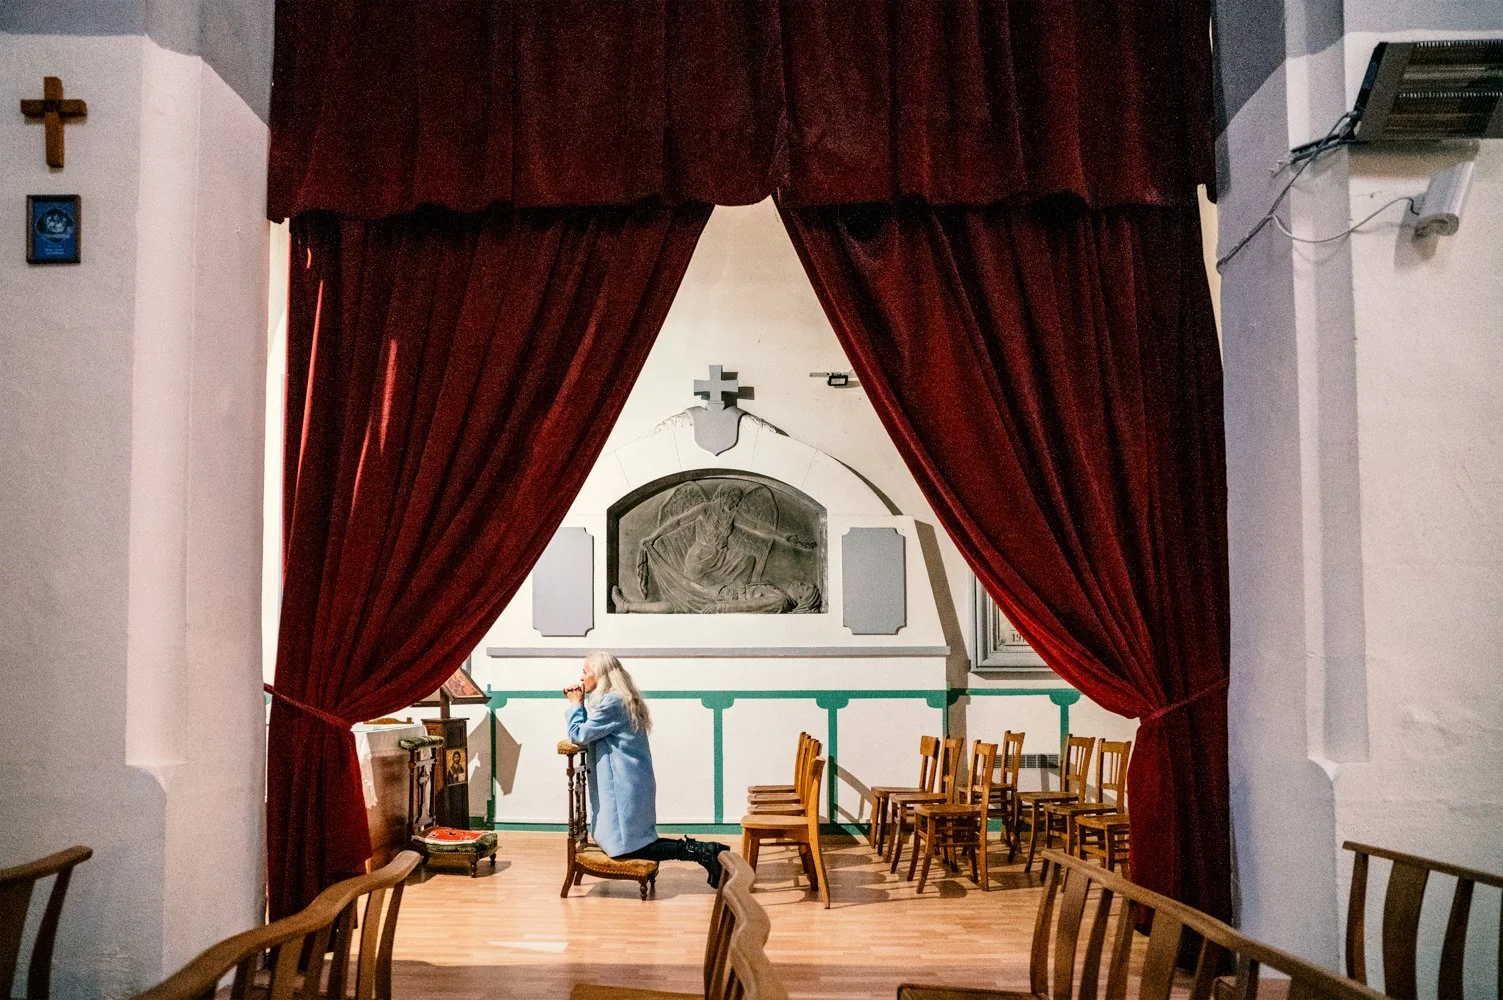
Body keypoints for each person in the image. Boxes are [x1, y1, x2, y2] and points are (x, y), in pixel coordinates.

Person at [564, 651, 728, 886]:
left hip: (622, 786)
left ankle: (701, 851)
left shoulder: (612, 702)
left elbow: (579, 734)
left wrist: (575, 705)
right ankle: (702, 851)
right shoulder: (618, 698)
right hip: (629, 782)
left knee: (627, 848)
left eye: (585, 672)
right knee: (635, 842)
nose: (581, 678)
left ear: (599, 675)